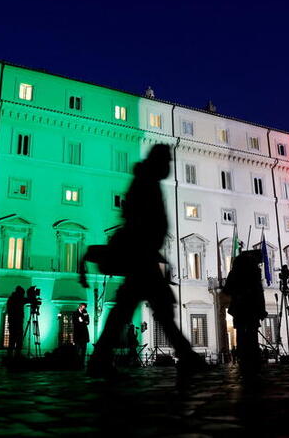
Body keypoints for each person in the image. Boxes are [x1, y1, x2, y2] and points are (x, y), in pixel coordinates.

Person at [85, 144, 205, 376]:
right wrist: (150, 246)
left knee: (132, 309)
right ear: (158, 162)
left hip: (143, 257)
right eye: (166, 161)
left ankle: (100, 358)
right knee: (153, 309)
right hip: (142, 258)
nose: (169, 166)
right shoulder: (146, 183)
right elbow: (142, 223)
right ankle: (187, 355)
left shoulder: (146, 181)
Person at [222, 250, 267, 369]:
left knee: (241, 332)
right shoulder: (254, 272)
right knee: (252, 333)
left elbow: (226, 290)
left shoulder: (235, 272)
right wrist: (261, 309)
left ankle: (243, 357)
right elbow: (259, 292)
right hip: (252, 307)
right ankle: (253, 357)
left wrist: (237, 292)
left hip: (239, 307)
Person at [6, 286, 26, 358]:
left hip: (13, 323)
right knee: (16, 340)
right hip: (16, 324)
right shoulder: (16, 300)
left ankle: (12, 355)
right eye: (22, 294)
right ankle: (16, 356)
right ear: (19, 293)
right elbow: (25, 300)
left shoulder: (12, 299)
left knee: (13, 340)